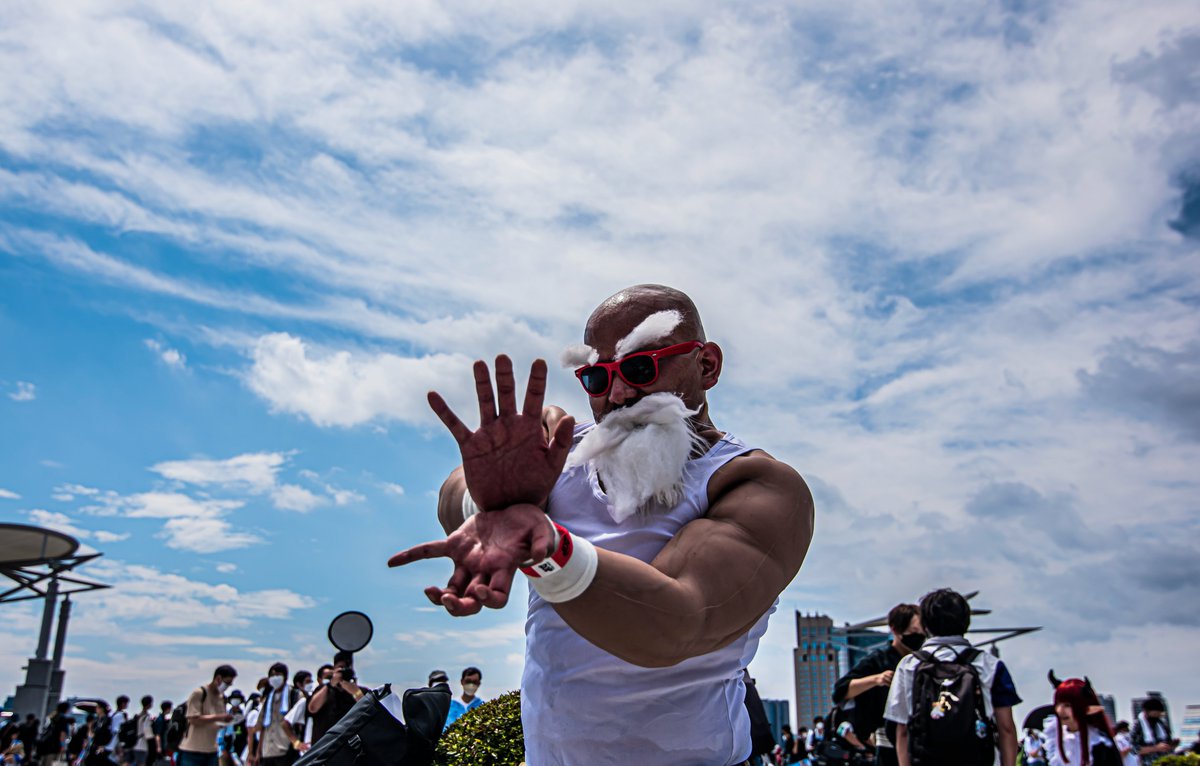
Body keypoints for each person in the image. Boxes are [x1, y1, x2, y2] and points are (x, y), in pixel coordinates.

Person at [389, 284, 815, 765]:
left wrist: (543, 547)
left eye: (641, 368)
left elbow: (673, 625)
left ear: (707, 365)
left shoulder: (753, 484)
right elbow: (454, 499)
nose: (618, 394)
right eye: (597, 377)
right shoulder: (560, 452)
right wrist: (490, 503)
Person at [883, 588, 1021, 766]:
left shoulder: (909, 665)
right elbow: (1006, 728)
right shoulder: (989, 664)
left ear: (925, 625)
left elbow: (902, 729)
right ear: (966, 622)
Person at [832, 603, 924, 766]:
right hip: (888, 746)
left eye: (921, 633)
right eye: (913, 631)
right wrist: (876, 679)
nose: (918, 637)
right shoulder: (878, 660)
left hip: (919, 743)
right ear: (895, 630)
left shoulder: (922, 661)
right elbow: (841, 691)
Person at [1043, 674, 1119, 766]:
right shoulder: (1054, 739)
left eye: (1067, 705)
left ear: (1085, 708)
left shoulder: (1099, 744)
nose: (1060, 710)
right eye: (1058, 704)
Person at [178, 665, 237, 766]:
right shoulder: (199, 693)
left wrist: (227, 721)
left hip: (212, 750)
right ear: (218, 679)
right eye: (227, 683)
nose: (228, 686)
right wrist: (219, 717)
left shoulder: (222, 698)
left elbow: (219, 723)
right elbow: (193, 719)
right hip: (192, 750)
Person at [248, 663, 302, 766]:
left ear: (285, 677)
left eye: (278, 675)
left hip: (287, 749)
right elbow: (263, 727)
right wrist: (258, 752)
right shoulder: (268, 699)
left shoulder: (294, 695)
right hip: (268, 750)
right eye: (272, 675)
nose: (275, 678)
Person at [306, 653, 363, 744]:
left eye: (347, 668)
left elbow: (368, 710)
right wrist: (330, 684)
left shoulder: (360, 691)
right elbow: (312, 708)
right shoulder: (323, 690)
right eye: (341, 668)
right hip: (323, 745)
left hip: (349, 745)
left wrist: (356, 692)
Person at [1129, 699, 1175, 765]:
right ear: (1146, 712)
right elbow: (1133, 749)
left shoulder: (1161, 724)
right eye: (1155, 714)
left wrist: (1171, 745)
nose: (1158, 716)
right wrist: (1155, 748)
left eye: (1159, 714)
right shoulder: (1138, 726)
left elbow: (1167, 742)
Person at [131, 697, 154, 766]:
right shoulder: (146, 717)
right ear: (149, 704)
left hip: (134, 743)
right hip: (142, 745)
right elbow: (148, 733)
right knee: (141, 764)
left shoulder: (138, 716)